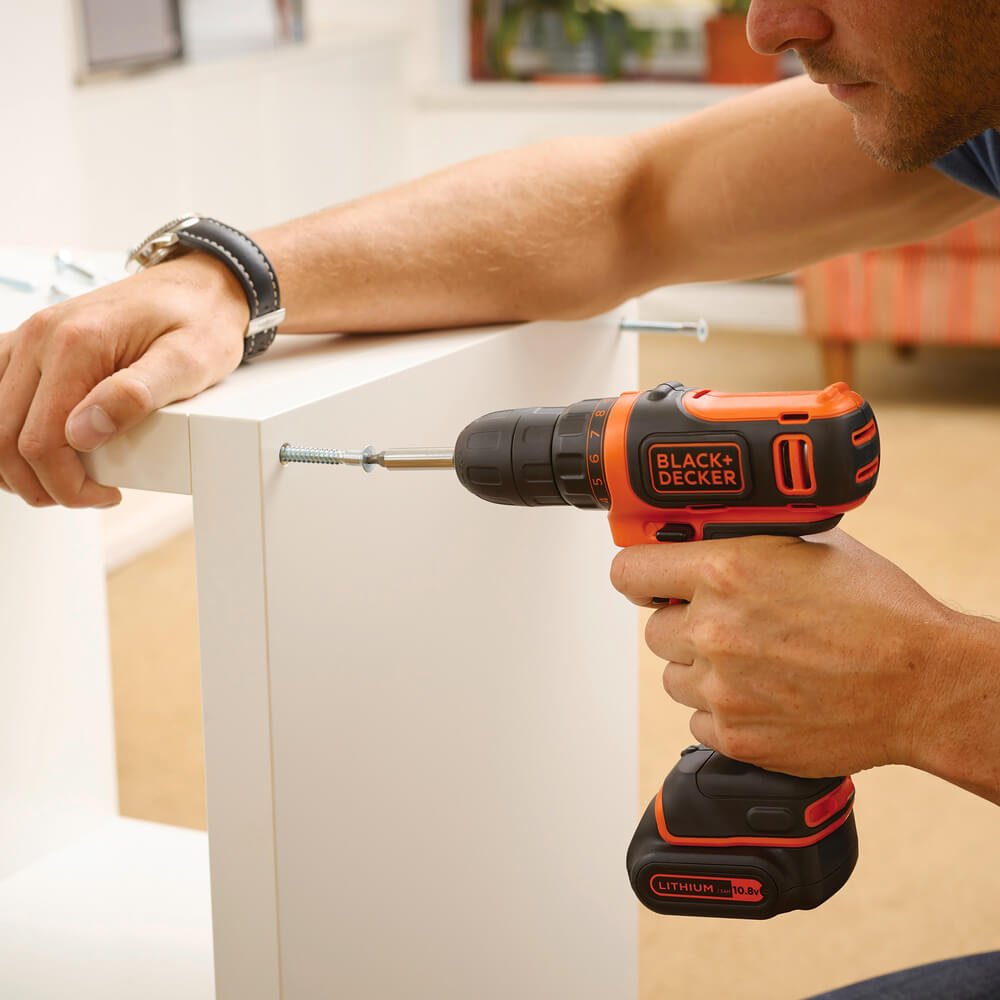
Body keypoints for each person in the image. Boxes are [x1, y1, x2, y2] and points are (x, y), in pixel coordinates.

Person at [1, 2, 998, 993]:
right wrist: (233, 278)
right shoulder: (968, 102)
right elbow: (635, 201)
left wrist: (929, 684)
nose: (769, 26)